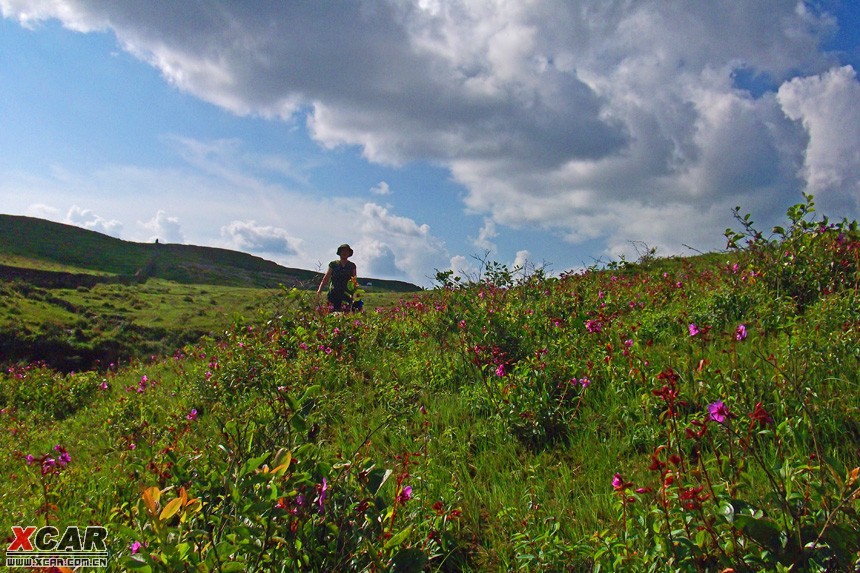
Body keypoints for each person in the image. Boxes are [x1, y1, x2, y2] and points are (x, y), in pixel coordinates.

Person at [317, 244, 357, 311]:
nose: (344, 253)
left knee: (344, 316)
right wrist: (319, 290)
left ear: (349, 253)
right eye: (343, 251)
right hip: (333, 294)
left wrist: (355, 295)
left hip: (346, 295)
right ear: (339, 252)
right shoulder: (333, 264)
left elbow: (354, 281)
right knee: (331, 314)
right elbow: (326, 278)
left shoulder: (352, 266)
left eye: (346, 251)